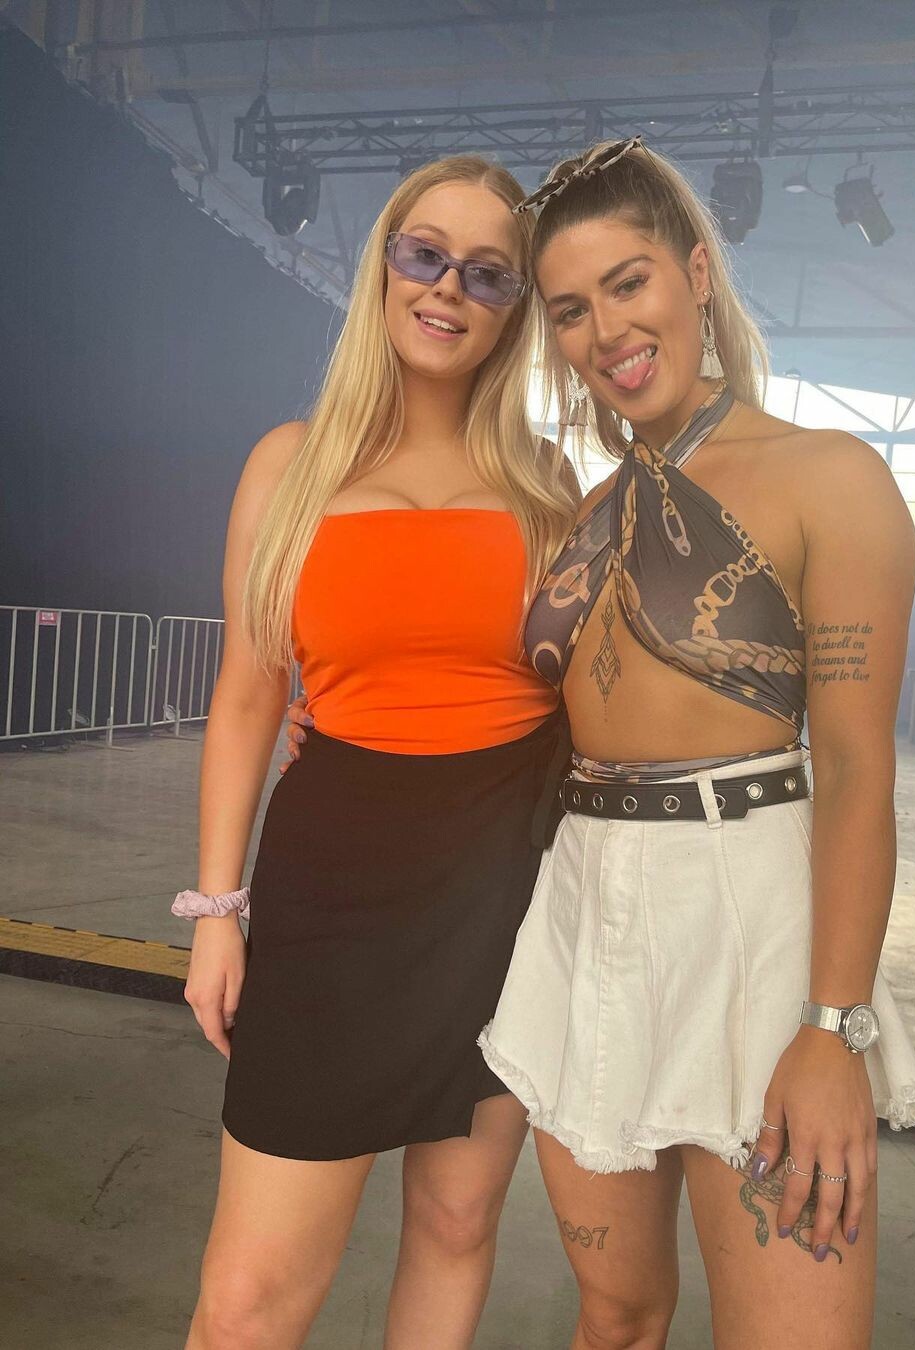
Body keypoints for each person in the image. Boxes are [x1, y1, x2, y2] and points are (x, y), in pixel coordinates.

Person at [476, 137, 915, 1349]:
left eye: (627, 283)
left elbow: (856, 770)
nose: (606, 331)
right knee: (617, 1316)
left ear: (694, 273)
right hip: (584, 912)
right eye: (570, 310)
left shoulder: (830, 476)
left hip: (755, 919)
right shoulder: (579, 507)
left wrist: (831, 1027)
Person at [173, 154, 579, 1350]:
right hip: (333, 892)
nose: (449, 287)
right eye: (425, 254)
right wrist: (216, 913)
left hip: (504, 890)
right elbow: (248, 695)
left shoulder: (548, 481)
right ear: (384, 265)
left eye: (489, 273)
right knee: (246, 1303)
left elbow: (590, 696)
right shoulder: (288, 464)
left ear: (514, 307)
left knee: (456, 1225)